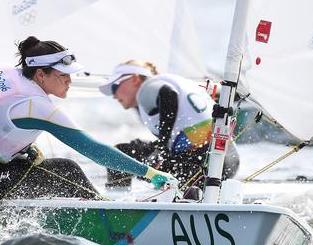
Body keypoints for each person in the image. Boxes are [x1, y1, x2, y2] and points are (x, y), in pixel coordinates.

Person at [0, 37, 177, 206]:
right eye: (63, 76)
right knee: (66, 171)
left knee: (39, 167)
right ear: (40, 74)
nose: (70, 81)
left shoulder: (2, 74)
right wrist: (149, 172)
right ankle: (109, 214)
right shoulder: (36, 105)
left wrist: (22, 148)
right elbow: (95, 151)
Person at [98, 60, 240, 188]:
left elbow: (168, 95)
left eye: (114, 87)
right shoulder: (178, 82)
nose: (114, 95)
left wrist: (161, 148)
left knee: (119, 154)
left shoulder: (147, 88)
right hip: (227, 162)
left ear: (135, 79)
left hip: (200, 163)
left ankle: (117, 201)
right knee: (151, 156)